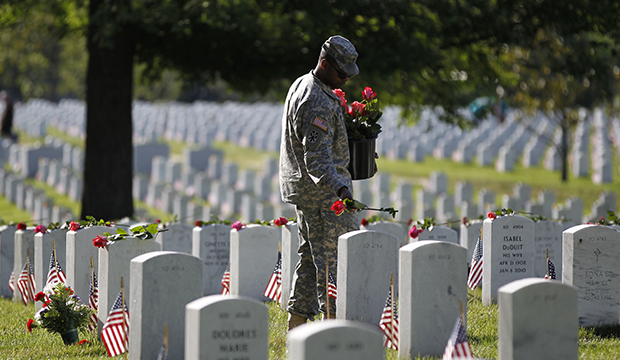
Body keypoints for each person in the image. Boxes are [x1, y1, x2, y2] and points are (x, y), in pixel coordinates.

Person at [279, 35, 360, 330]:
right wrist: (340, 189)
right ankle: (331, 325)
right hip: (322, 194)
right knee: (332, 261)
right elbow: (316, 159)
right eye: (341, 73)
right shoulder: (316, 100)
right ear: (325, 64)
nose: (346, 80)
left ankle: (298, 322)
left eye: (350, 74)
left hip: (305, 190)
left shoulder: (304, 83)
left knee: (312, 260)